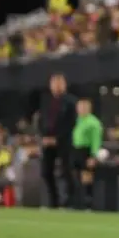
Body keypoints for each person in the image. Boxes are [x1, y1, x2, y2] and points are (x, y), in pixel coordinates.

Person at [38, 73, 77, 208]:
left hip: (63, 142)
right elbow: (42, 120)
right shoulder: (46, 101)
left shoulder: (71, 101)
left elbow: (71, 123)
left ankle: (71, 202)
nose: (56, 86)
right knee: (46, 172)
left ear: (64, 84)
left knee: (66, 172)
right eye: (54, 83)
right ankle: (53, 202)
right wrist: (44, 137)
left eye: (59, 83)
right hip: (47, 142)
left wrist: (57, 139)